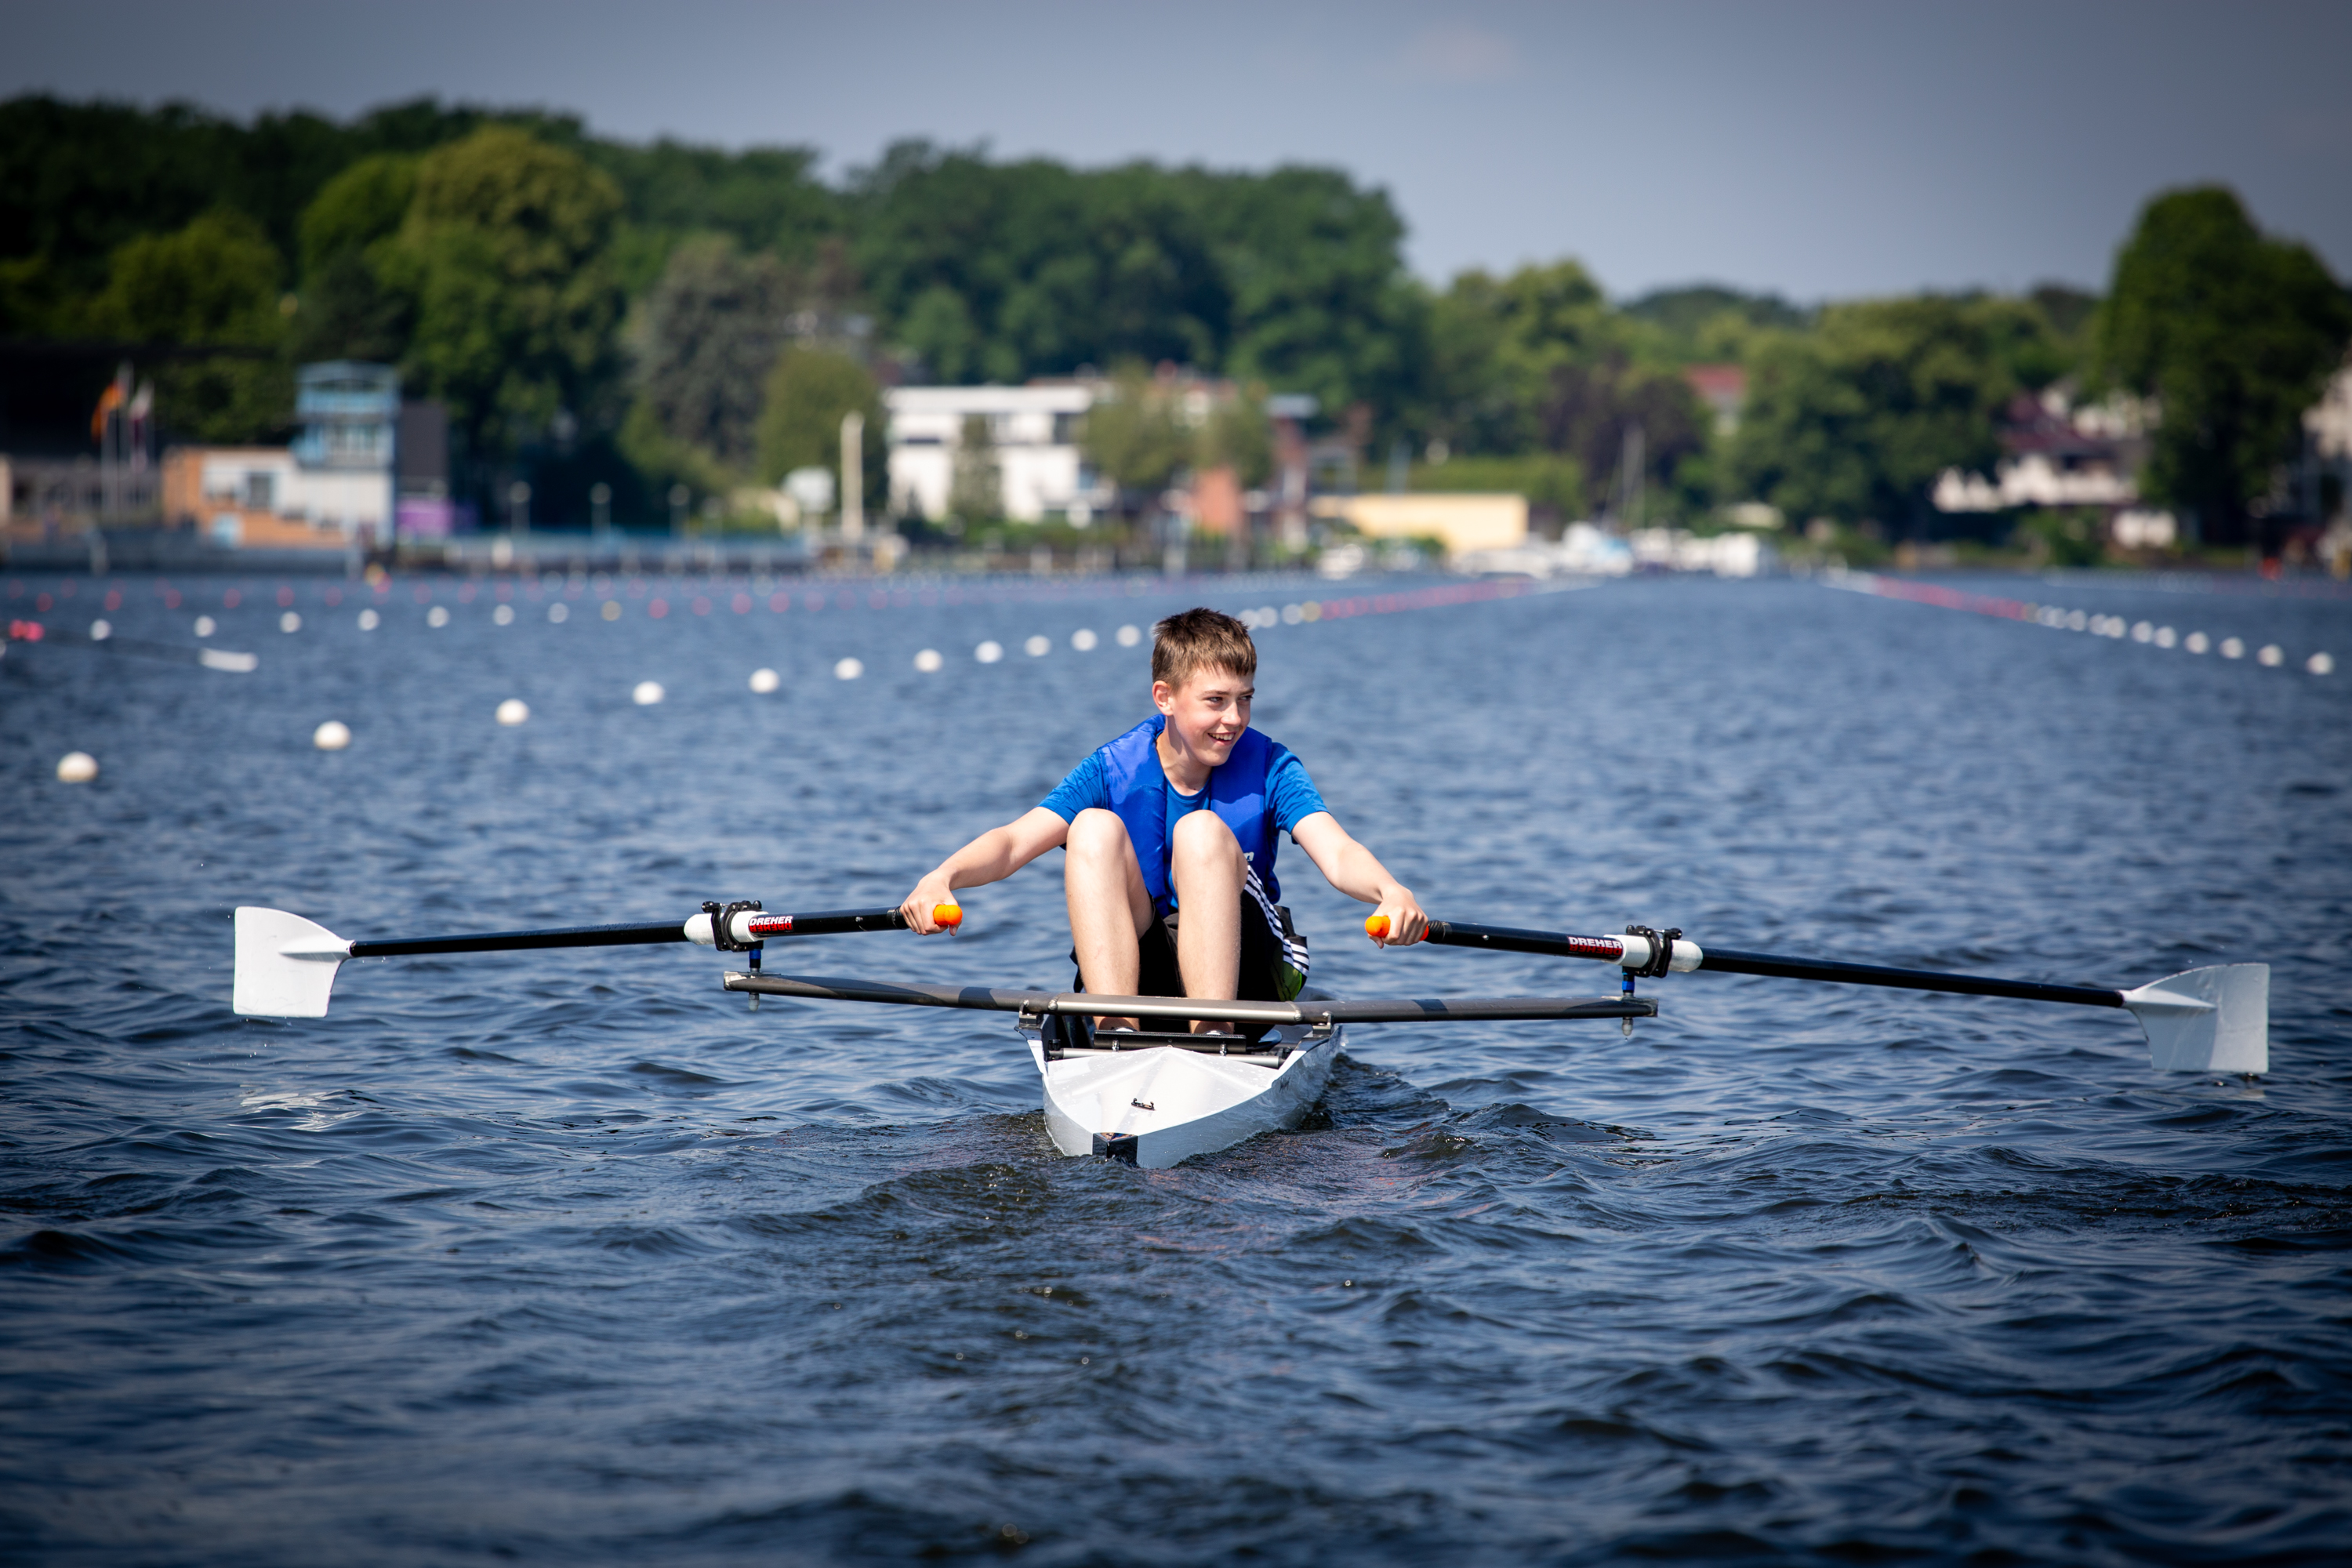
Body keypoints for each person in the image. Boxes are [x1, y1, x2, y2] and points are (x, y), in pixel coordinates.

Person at [898, 607, 1426, 1032]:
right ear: (1164, 698)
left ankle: (1214, 1035)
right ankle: (1115, 1027)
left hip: (1249, 974)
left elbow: (1336, 851)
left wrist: (1390, 891)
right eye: (1216, 702)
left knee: (1199, 834)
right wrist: (941, 878)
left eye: (1245, 701)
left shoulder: (1272, 766)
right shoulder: (1112, 767)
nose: (1235, 720)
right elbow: (1014, 842)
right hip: (1144, 958)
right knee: (1092, 827)